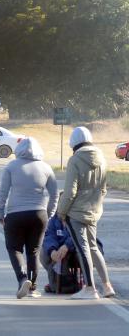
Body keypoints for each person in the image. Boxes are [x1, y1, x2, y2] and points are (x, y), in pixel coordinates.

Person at [57, 126, 115, 299]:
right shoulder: (102, 158)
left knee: (83, 249)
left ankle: (90, 288)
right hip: (94, 210)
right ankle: (107, 286)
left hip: (76, 212)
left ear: (73, 143)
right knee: (94, 248)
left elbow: (70, 192)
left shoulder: (74, 160)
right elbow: (103, 188)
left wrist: (61, 212)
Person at [0, 137, 58, 299]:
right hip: (39, 214)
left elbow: (3, 193)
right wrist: (50, 213)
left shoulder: (11, 166)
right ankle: (33, 288)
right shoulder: (46, 167)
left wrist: (0, 213)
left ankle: (22, 278)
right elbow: (54, 195)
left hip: (15, 214)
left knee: (14, 248)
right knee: (34, 251)